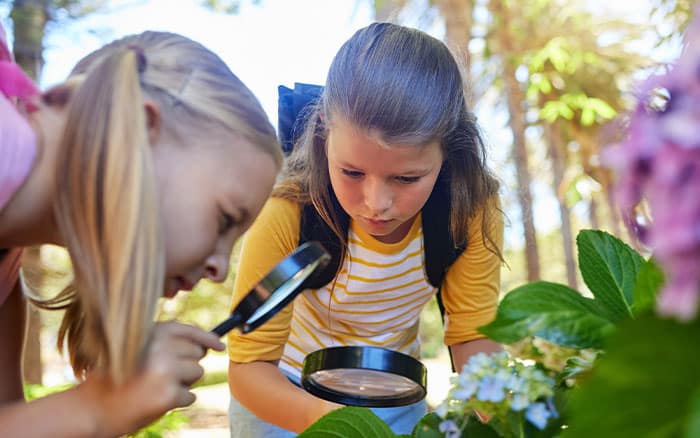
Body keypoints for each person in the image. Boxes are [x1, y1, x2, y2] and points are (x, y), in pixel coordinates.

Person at [0, 24, 282, 436]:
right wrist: (95, 408)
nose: (220, 270)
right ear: (140, 126)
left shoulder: (8, 273)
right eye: (225, 219)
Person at [227, 22, 504, 436]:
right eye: (352, 172)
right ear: (323, 134)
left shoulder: (468, 210)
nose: (376, 204)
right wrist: (333, 424)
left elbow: (472, 337)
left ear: (449, 150)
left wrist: (503, 415)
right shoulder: (289, 210)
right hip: (282, 396)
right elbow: (249, 366)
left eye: (407, 178)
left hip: (395, 395)